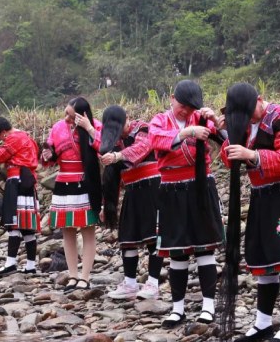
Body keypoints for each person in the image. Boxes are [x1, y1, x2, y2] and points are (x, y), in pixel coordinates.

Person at [219, 83, 280, 342]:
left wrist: (252, 155)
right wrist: (228, 135)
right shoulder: (243, 124)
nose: (247, 117)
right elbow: (228, 157)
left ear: (260, 100)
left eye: (248, 111)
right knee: (262, 258)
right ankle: (263, 322)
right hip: (260, 196)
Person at [148, 80, 224, 328]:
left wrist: (215, 120)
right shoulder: (160, 121)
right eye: (182, 106)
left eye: (190, 107)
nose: (185, 111)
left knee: (205, 249)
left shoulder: (201, 118)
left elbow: (227, 138)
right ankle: (177, 309)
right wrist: (187, 133)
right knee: (177, 252)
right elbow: (156, 141)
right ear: (172, 98)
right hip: (171, 189)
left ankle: (208, 306)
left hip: (200, 186)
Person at [101, 108, 163, 300]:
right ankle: (129, 283)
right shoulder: (114, 140)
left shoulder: (144, 129)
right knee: (127, 238)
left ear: (128, 118)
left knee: (153, 237)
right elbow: (113, 178)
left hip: (152, 187)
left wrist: (117, 156)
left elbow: (142, 149)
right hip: (132, 190)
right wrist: (107, 204)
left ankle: (153, 283)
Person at [45, 97, 103, 290]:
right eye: (66, 113)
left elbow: (104, 147)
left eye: (71, 115)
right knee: (67, 231)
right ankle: (72, 276)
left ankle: (85, 277)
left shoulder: (95, 126)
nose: (66, 118)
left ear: (82, 115)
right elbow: (50, 154)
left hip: (85, 182)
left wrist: (88, 128)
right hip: (63, 182)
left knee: (88, 230)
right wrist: (47, 155)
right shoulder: (57, 128)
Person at [0, 117, 41, 274]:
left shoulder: (13, 138)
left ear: (3, 132)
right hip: (28, 182)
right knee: (27, 227)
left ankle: (11, 263)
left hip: (16, 181)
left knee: (14, 224)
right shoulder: (25, 136)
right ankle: (30, 265)